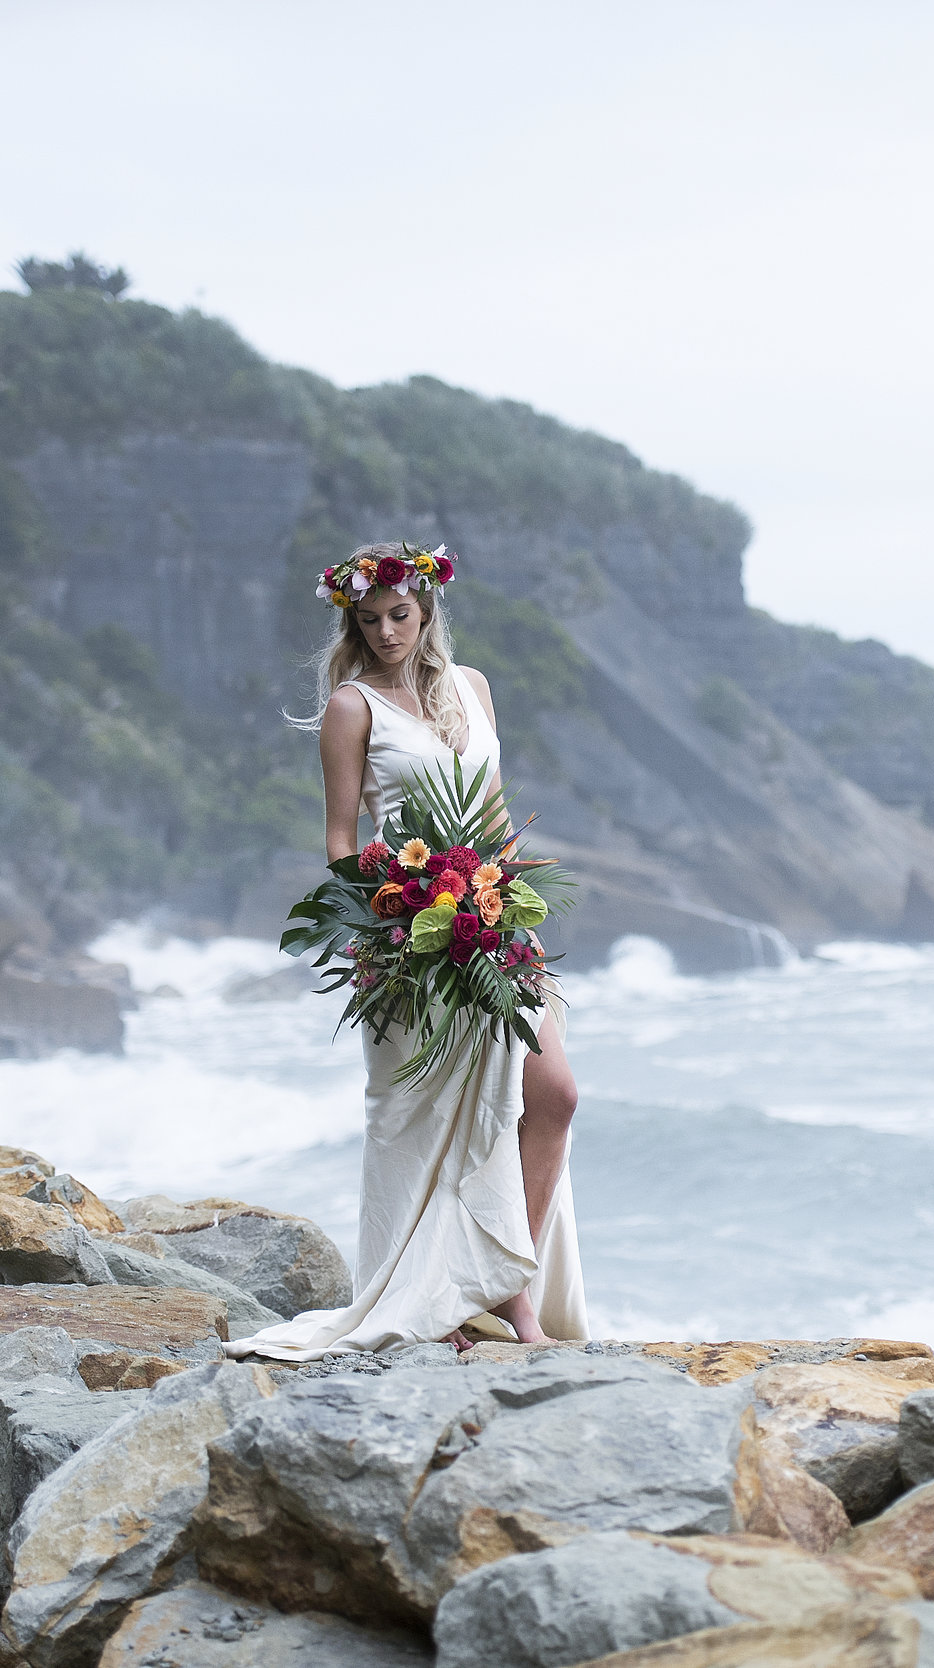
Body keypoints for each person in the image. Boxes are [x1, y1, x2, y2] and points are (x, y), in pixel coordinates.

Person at [224, 543, 586, 1359]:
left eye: (400, 615)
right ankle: (447, 1301)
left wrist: (512, 911)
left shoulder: (473, 689)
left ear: (426, 611)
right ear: (353, 622)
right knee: (428, 1129)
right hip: (406, 938)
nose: (387, 631)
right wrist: (380, 925)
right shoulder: (353, 707)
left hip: (490, 925)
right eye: (370, 619)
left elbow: (492, 816)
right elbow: (342, 840)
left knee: (552, 1096)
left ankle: (508, 1289)